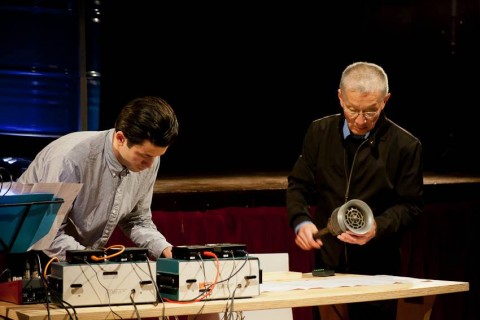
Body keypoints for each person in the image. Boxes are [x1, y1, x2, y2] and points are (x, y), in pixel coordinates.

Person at [286, 61, 423, 320]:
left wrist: (377, 227)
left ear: (385, 101)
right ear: (340, 97)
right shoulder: (319, 132)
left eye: (370, 111)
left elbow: (410, 206)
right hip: (328, 267)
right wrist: (300, 221)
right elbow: (298, 185)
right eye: (352, 109)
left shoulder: (406, 146)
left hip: (378, 271)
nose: (360, 120)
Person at [18, 96, 178, 261]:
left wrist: (165, 249)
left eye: (157, 156)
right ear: (120, 138)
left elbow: (136, 220)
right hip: (31, 254)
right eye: (145, 156)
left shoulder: (150, 160)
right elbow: (48, 233)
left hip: (80, 255)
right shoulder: (70, 159)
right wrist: (93, 260)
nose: (150, 165)